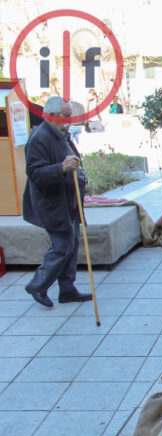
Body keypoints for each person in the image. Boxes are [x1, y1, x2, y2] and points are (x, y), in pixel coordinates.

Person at [22, 96, 93, 308]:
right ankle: (38, 285)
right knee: (62, 247)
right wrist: (61, 168)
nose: (71, 119)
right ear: (52, 116)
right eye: (67, 115)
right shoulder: (40, 138)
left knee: (71, 245)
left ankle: (67, 289)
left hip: (69, 200)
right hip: (53, 203)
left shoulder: (61, 134)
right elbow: (35, 172)